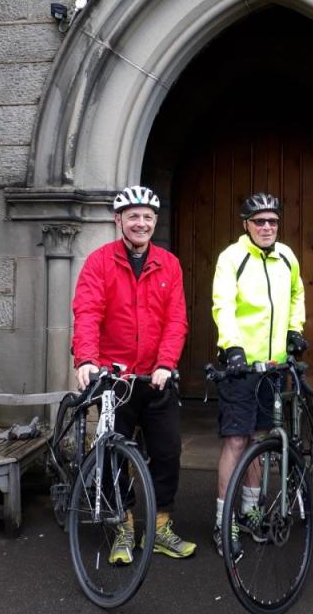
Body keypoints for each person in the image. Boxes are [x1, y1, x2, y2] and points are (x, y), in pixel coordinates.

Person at [72, 185, 196, 562]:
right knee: (112, 454)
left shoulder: (168, 264)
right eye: (133, 216)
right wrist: (87, 360)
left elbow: (176, 319)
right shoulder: (100, 261)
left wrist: (165, 364)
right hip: (115, 378)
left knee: (168, 451)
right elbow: (88, 311)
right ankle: (123, 526)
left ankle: (159, 528)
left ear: (154, 222)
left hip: (155, 378)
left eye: (147, 217)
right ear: (119, 221)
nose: (140, 223)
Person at [211, 192, 308, 559]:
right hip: (241, 367)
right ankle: (223, 522)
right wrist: (232, 346)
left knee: (259, 440)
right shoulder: (232, 258)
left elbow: (297, 294)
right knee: (236, 441)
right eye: (259, 222)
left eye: (272, 222)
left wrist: (294, 330)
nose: (267, 227)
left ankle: (251, 511)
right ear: (245, 224)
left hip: (274, 367)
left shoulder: (287, 257)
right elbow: (222, 303)